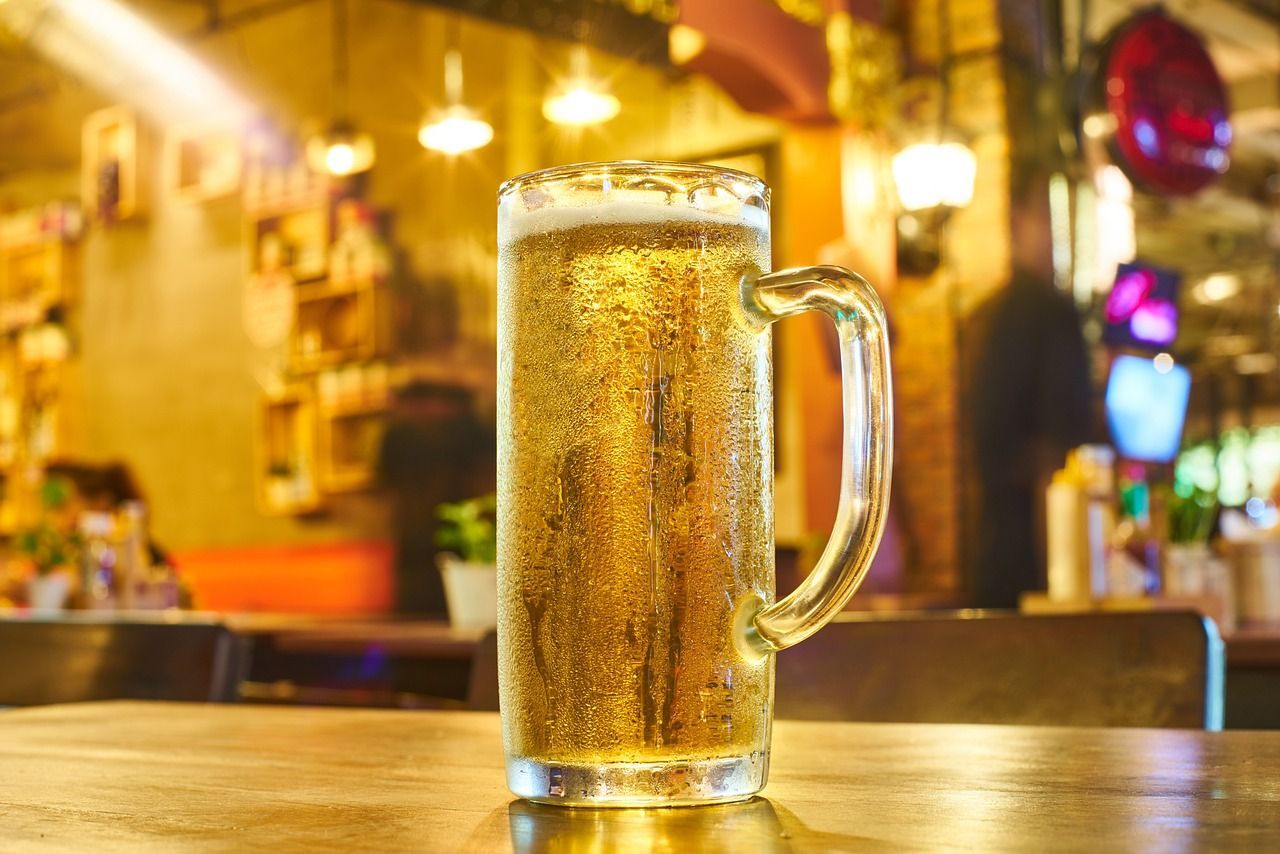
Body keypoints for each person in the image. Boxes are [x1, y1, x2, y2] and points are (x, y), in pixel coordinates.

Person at [966, 169, 1094, 608]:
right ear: (1018, 221)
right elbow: (1052, 457)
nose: (1059, 231)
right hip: (1040, 568)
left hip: (994, 563)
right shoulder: (1049, 315)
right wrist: (1059, 583)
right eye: (1048, 214)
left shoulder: (992, 317)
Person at [377, 381, 494, 615]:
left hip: (427, 543)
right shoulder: (470, 430)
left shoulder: (399, 434)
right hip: (443, 547)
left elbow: (384, 482)